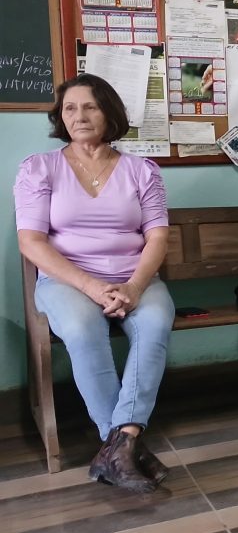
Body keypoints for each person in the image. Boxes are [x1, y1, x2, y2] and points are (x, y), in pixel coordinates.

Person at [14, 74, 175, 493]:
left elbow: (157, 237)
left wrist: (134, 287)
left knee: (155, 324)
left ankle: (118, 447)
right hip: (66, 280)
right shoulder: (39, 168)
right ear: (60, 116)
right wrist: (91, 287)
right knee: (84, 330)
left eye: (90, 107)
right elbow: (31, 242)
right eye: (70, 108)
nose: (79, 116)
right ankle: (123, 446)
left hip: (134, 277)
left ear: (109, 113)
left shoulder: (142, 171)